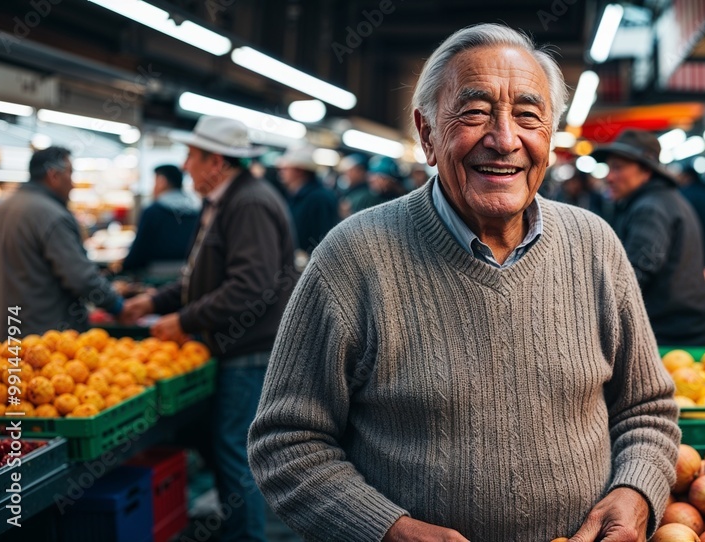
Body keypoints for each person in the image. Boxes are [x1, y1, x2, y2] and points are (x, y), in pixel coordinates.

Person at [248, 24, 679, 542]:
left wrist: (635, 492)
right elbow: (286, 443)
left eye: (527, 116)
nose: (504, 139)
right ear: (427, 134)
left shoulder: (595, 246)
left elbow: (646, 409)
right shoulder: (351, 258)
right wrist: (390, 531)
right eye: (474, 113)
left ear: (548, 136)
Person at [121, 116, 298, 542]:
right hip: (232, 348)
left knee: (237, 452)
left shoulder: (248, 203)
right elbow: (200, 276)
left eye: (192, 156)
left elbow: (248, 287)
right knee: (229, 449)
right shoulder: (221, 201)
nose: (185, 165)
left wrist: (183, 320)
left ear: (216, 162)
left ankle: (246, 538)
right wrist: (155, 302)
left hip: (251, 351)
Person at [592, 129, 705, 346]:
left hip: (668, 331)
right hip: (683, 324)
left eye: (618, 168)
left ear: (646, 172)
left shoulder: (650, 208)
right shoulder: (663, 199)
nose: (609, 177)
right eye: (609, 168)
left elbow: (637, 271)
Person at [0, 146, 124, 338]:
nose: (73, 183)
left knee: (12, 368)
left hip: (8, 325)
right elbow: (80, 277)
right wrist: (116, 305)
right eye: (70, 174)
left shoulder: (2, 209)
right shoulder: (52, 216)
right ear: (53, 175)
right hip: (45, 333)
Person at [121, 165, 201, 275]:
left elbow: (139, 250)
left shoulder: (153, 211)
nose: (152, 188)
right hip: (189, 273)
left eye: (154, 182)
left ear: (162, 182)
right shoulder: (197, 209)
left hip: (154, 276)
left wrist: (124, 267)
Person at [277, 145, 339, 255]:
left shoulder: (320, 198)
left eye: (285, 168)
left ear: (299, 170)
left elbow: (323, 237)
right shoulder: (295, 196)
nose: (281, 172)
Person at [337, 153, 371, 218]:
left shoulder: (368, 195)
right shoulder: (351, 192)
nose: (347, 175)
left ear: (361, 171)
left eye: (350, 171)